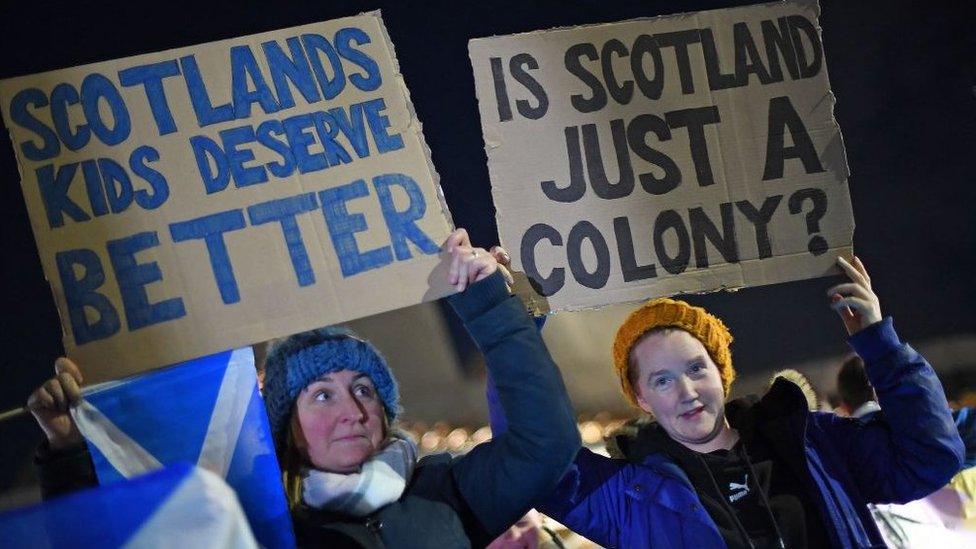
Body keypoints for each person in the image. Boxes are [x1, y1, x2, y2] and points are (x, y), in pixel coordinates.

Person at [27, 228, 581, 548]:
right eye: (322, 394)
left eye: (365, 389)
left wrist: (487, 302)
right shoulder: (267, 530)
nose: (353, 409)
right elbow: (105, 540)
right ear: (286, 425)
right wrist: (69, 452)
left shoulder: (447, 489)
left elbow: (546, 443)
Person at [491, 255, 964, 548]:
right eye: (661, 380)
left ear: (721, 371)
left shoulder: (813, 442)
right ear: (641, 398)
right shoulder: (626, 496)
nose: (687, 391)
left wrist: (882, 346)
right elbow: (529, 458)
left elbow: (927, 459)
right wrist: (514, 334)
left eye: (697, 368)